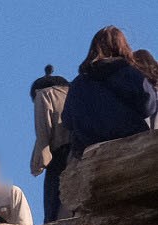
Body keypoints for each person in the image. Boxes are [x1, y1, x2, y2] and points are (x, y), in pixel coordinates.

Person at [61, 27, 158, 169]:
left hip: (91, 153)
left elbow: (68, 121)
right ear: (122, 47)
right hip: (130, 146)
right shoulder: (127, 73)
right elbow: (148, 107)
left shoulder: (77, 84)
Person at [31, 65, 71, 222]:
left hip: (60, 157)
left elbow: (43, 135)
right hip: (82, 151)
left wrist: (37, 164)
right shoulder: (74, 92)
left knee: (54, 212)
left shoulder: (44, 95)